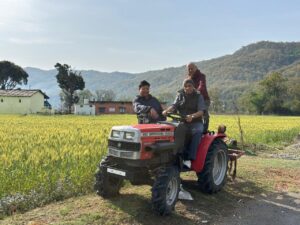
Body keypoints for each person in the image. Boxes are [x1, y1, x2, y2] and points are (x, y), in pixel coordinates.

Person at [162, 79, 205, 168]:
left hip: (195, 122)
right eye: (186, 86)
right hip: (181, 121)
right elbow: (174, 106)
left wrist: (192, 116)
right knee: (168, 128)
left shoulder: (198, 96)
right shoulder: (180, 95)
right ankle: (171, 155)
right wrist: (167, 111)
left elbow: (201, 111)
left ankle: (189, 159)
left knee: (197, 132)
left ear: (193, 87)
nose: (187, 88)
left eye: (190, 86)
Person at [187, 62, 210, 133]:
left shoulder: (202, 76)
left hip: (204, 99)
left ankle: (204, 131)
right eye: (189, 69)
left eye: (192, 68)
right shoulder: (189, 78)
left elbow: (201, 85)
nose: (190, 70)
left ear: (196, 68)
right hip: (194, 100)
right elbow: (186, 88)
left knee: (203, 113)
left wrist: (196, 92)